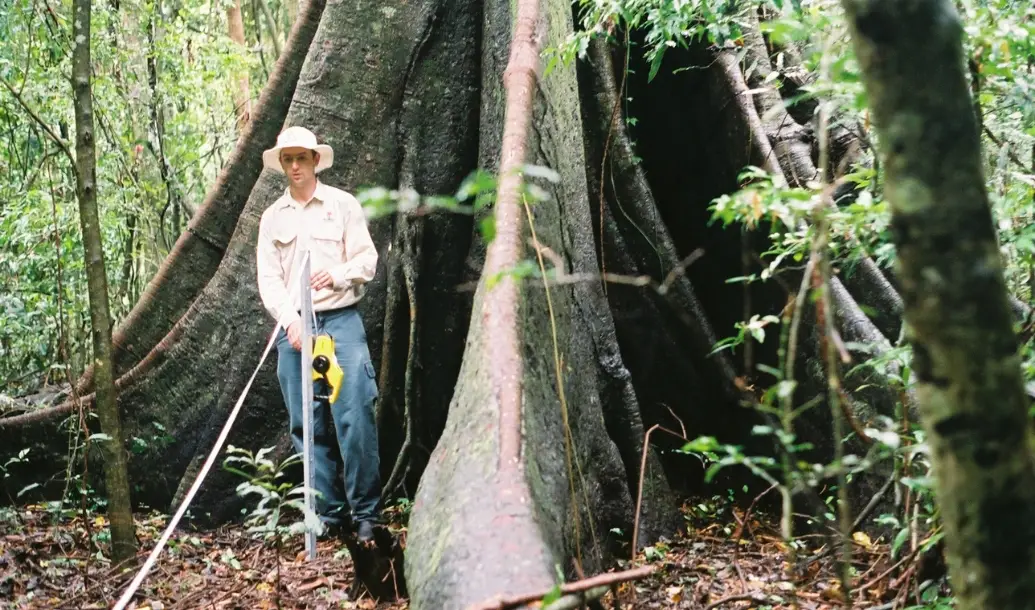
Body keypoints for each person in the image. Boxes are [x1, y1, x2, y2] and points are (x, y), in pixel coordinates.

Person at [254, 125, 382, 544]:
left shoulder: (342, 205)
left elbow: (366, 260)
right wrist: (291, 320)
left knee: (354, 415)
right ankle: (329, 514)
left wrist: (339, 274)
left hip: (340, 321)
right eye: (287, 159)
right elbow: (269, 279)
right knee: (306, 424)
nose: (295, 166)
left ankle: (367, 514)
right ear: (282, 164)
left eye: (301, 158)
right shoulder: (272, 218)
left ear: (315, 161)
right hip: (295, 329)